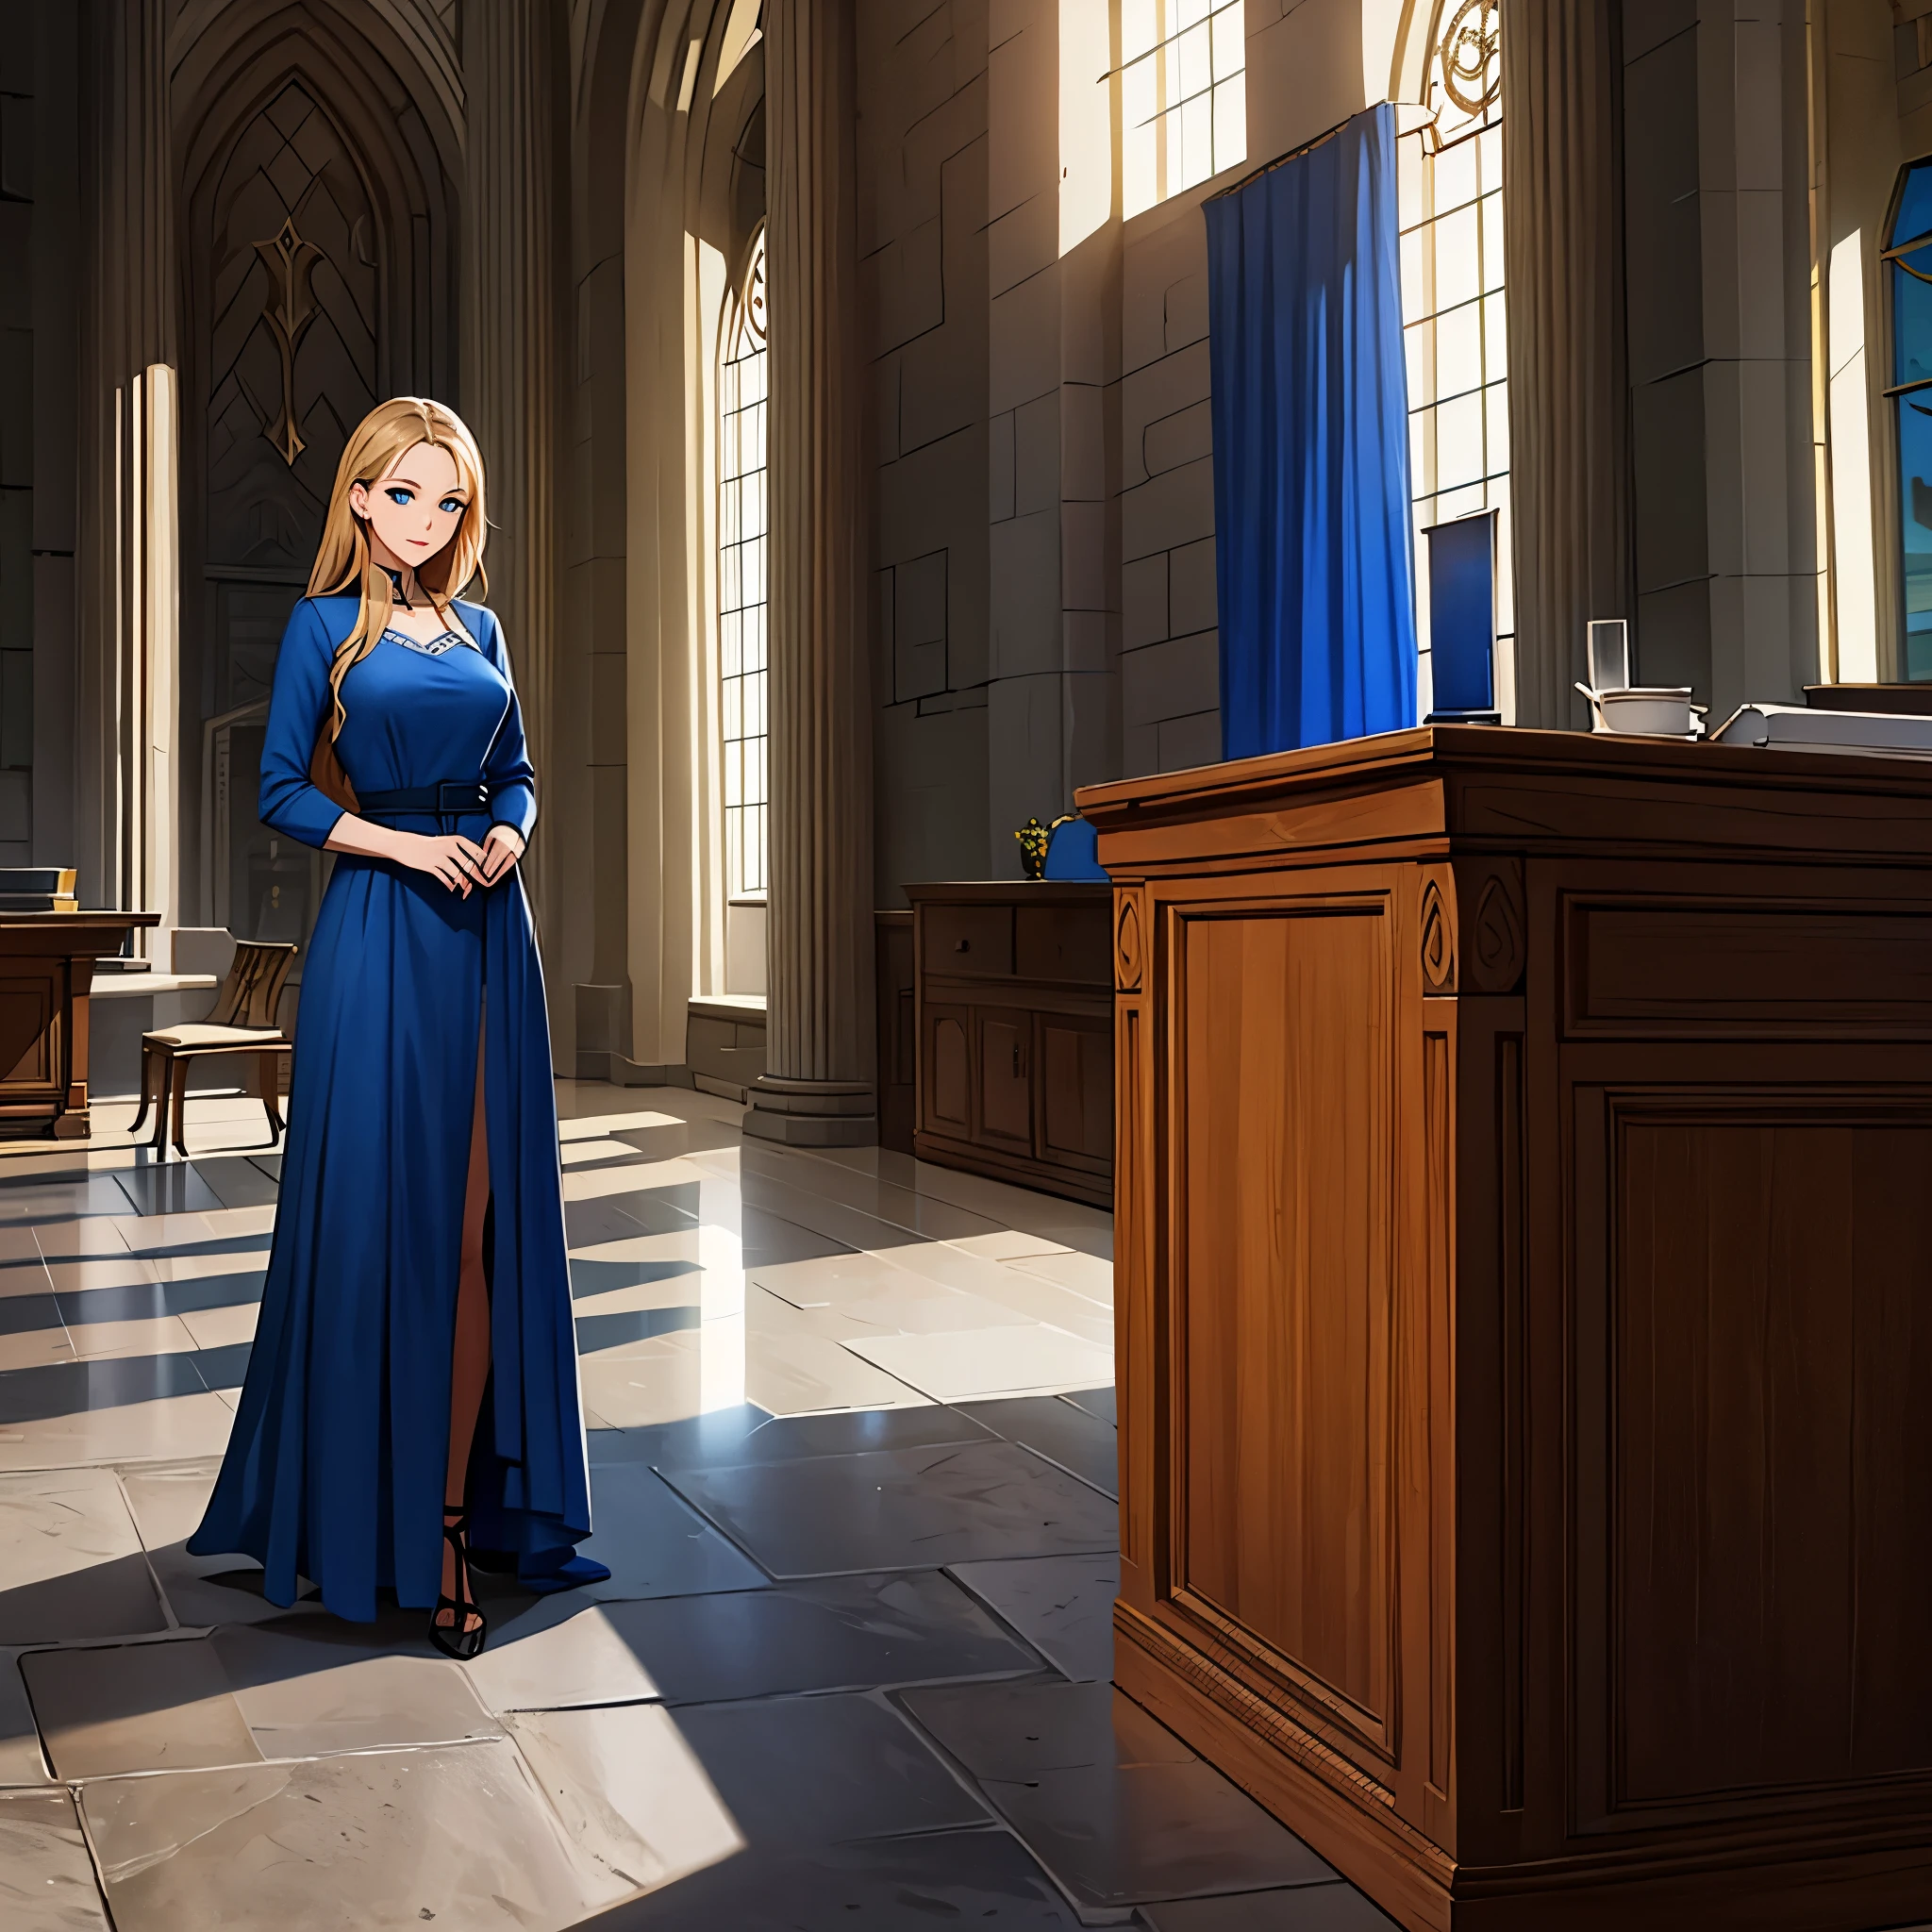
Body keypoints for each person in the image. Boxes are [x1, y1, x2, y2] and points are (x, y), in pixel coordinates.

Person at [188, 396, 607, 1658]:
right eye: (406, 494)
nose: (429, 519)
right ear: (361, 499)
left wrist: (504, 832)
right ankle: (370, 1520)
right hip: (377, 933)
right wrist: (412, 847)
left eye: (450, 500)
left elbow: (518, 768)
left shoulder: (479, 625)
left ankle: (445, 1518)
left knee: (476, 1235)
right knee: (383, 1235)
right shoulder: (322, 628)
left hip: (487, 936)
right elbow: (278, 790)